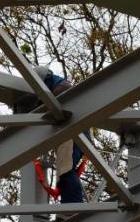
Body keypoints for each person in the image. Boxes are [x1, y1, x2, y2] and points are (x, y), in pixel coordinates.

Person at [33, 65, 87, 204]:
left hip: (73, 136)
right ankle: (69, 206)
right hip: (81, 134)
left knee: (66, 172)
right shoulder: (61, 85)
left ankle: (73, 208)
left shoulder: (59, 88)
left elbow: (48, 108)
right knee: (68, 172)